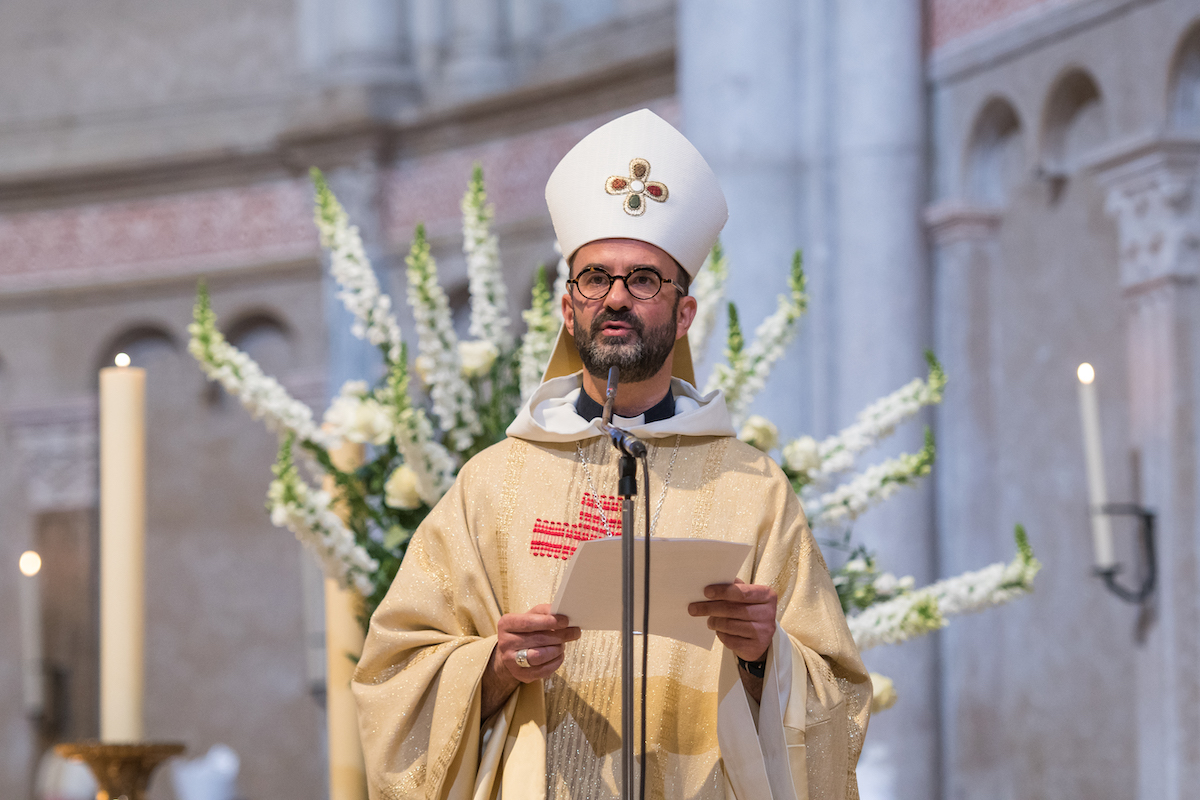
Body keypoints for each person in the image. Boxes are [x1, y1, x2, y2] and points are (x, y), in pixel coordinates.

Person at [353, 109, 871, 799]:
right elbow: (393, 675)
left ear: (684, 314)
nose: (617, 298)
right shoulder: (495, 482)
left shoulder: (753, 488)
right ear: (569, 310)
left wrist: (763, 655)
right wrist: (497, 666)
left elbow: (838, 697)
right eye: (595, 278)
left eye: (645, 280)